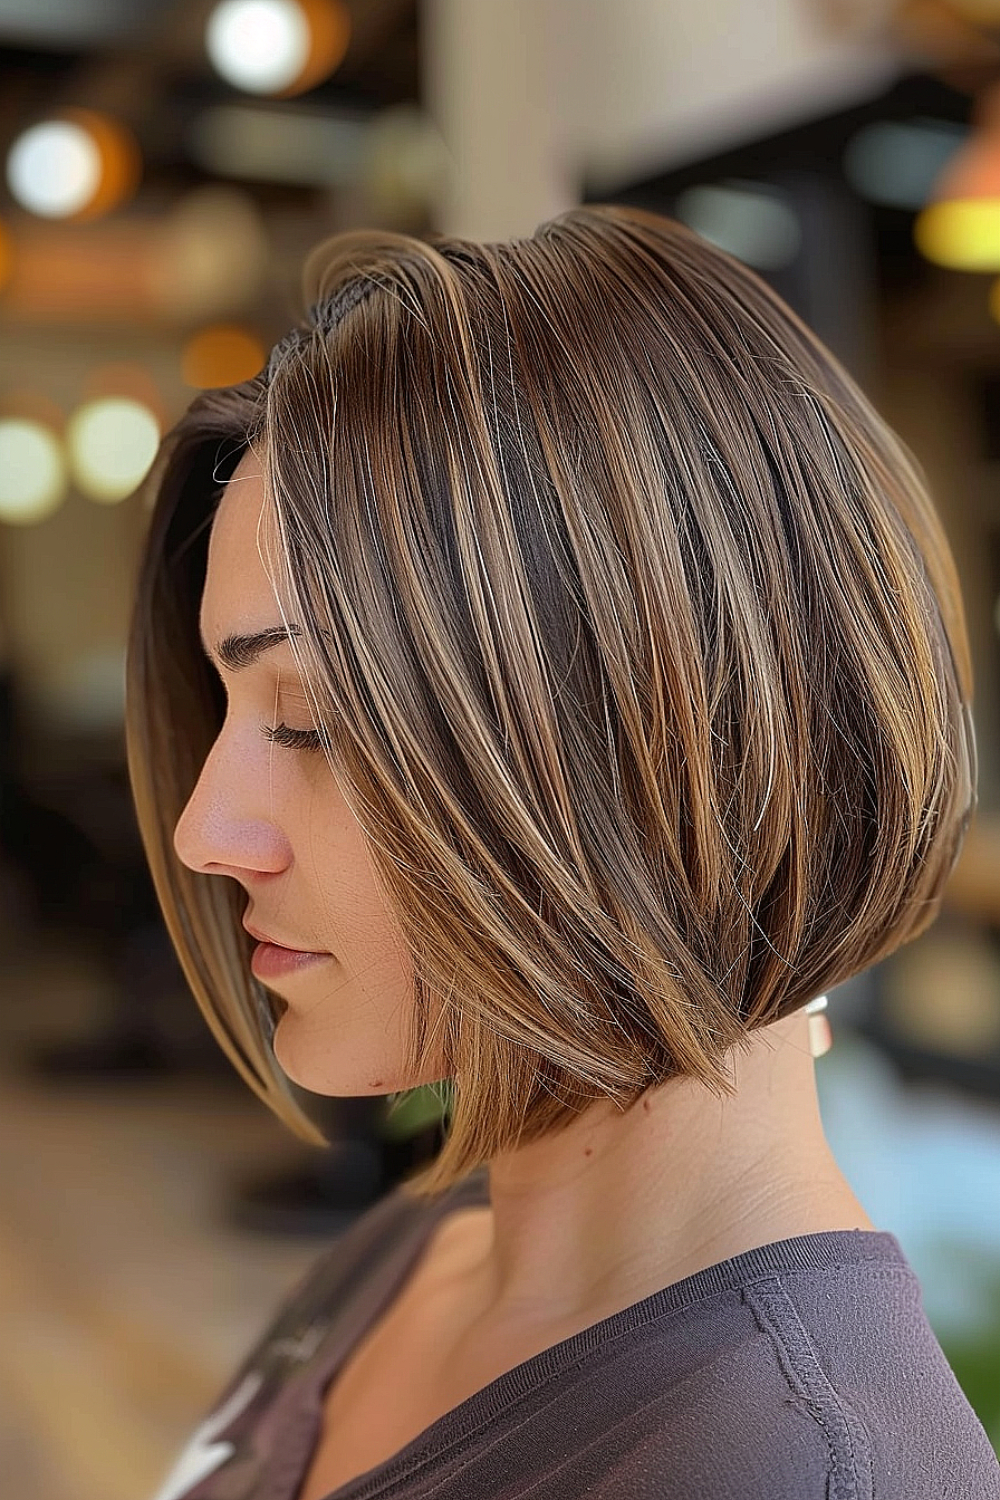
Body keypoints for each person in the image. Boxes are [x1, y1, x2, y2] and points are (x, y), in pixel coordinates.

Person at [126, 204, 999, 1500]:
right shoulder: (415, 1249)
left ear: (662, 746)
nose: (205, 832)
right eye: (230, 707)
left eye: (310, 721)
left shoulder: (794, 1471)